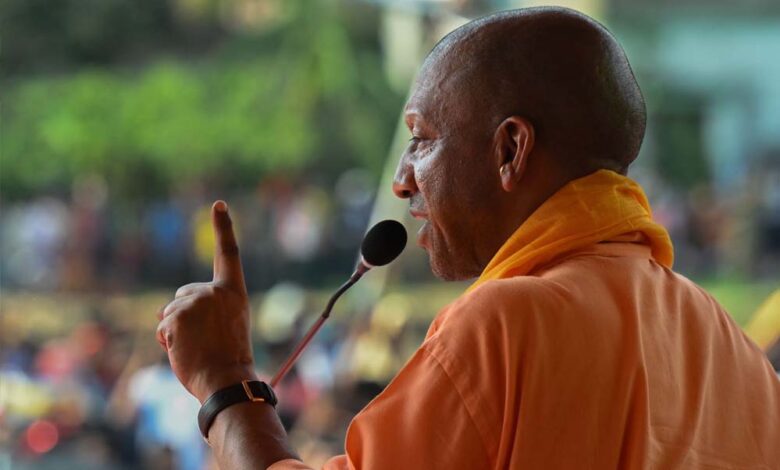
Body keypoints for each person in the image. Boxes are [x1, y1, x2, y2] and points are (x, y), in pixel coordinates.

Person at [155, 7, 780, 469]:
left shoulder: (503, 325)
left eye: (422, 140)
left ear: (511, 150)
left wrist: (226, 382)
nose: (402, 180)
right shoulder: (733, 348)